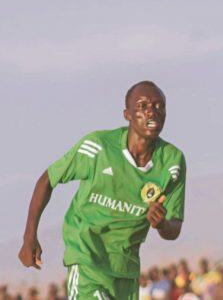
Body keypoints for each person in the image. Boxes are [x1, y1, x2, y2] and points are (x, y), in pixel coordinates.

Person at [17, 81, 186, 300]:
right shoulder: (98, 146)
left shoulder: (172, 162)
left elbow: (174, 229)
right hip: (87, 257)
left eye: (158, 106)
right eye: (142, 106)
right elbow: (47, 179)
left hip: (125, 269)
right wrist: (29, 236)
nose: (151, 111)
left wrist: (162, 224)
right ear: (127, 115)